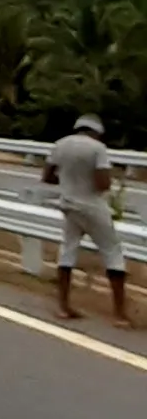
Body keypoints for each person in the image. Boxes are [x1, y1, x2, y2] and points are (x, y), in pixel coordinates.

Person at [43, 113, 131, 326]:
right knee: (112, 252)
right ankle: (119, 314)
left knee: (67, 251)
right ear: (97, 132)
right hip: (93, 206)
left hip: (69, 205)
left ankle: (64, 307)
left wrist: (68, 180)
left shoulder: (60, 144)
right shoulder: (97, 149)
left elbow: (47, 177)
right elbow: (103, 184)